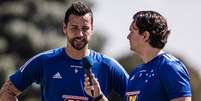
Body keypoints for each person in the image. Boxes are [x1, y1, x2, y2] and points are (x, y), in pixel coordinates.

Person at [0, 1, 128, 101]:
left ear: (92, 29)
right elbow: (7, 92)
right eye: (74, 28)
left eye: (85, 28)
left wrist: (100, 96)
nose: (80, 34)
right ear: (64, 28)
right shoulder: (45, 60)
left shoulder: (108, 65)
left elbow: (140, 96)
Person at [125, 11, 192, 101]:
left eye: (132, 32)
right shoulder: (135, 73)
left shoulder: (170, 67)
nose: (128, 36)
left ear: (145, 36)